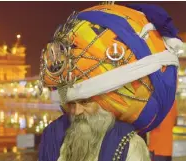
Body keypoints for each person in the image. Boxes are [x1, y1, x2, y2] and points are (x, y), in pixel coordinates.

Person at [38, 3, 184, 161]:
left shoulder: (128, 146)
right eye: (71, 104)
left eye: (85, 102)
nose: (76, 111)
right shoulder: (52, 135)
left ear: (103, 100)